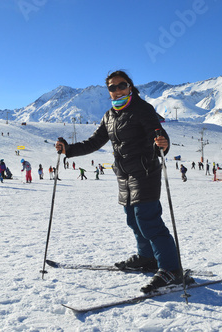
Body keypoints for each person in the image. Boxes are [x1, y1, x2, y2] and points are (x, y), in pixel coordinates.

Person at [55, 70, 188, 293]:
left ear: (130, 86)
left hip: (144, 173)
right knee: (133, 220)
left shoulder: (142, 109)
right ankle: (147, 258)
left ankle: (171, 270)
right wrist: (69, 149)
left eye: (121, 85)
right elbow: (94, 142)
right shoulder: (109, 116)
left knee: (148, 221)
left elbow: (158, 134)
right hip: (124, 175)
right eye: (112, 87)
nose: (117, 90)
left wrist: (162, 144)